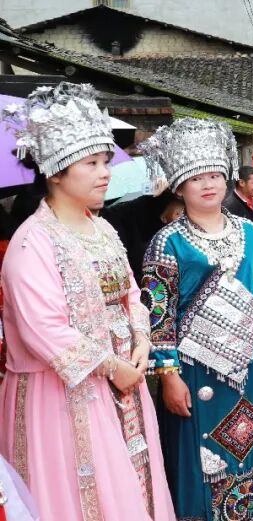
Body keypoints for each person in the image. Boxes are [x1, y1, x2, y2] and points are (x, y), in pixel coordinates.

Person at [0, 83, 175, 521]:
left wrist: (141, 341)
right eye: (91, 163)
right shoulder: (33, 242)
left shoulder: (102, 228)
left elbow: (131, 293)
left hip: (125, 379)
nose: (105, 173)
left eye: (105, 161)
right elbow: (44, 329)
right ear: (55, 172)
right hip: (64, 393)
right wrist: (113, 367)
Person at [139, 118, 253, 519]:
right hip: (197, 369)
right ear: (179, 187)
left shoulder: (250, 231)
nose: (208, 184)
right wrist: (168, 375)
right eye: (196, 178)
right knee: (207, 455)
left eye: (215, 175)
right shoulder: (167, 242)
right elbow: (159, 314)